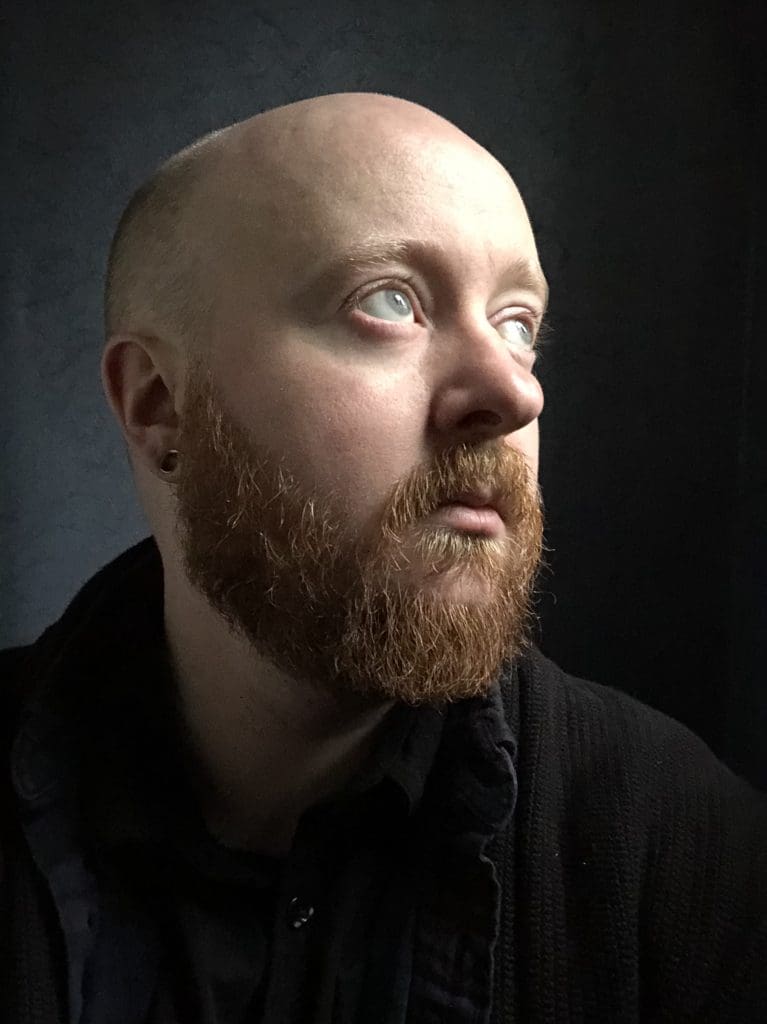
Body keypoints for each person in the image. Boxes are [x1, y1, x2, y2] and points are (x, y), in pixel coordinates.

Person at [1, 91, 765, 1024]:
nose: (513, 393)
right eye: (389, 302)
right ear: (161, 405)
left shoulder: (691, 863)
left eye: (517, 324)